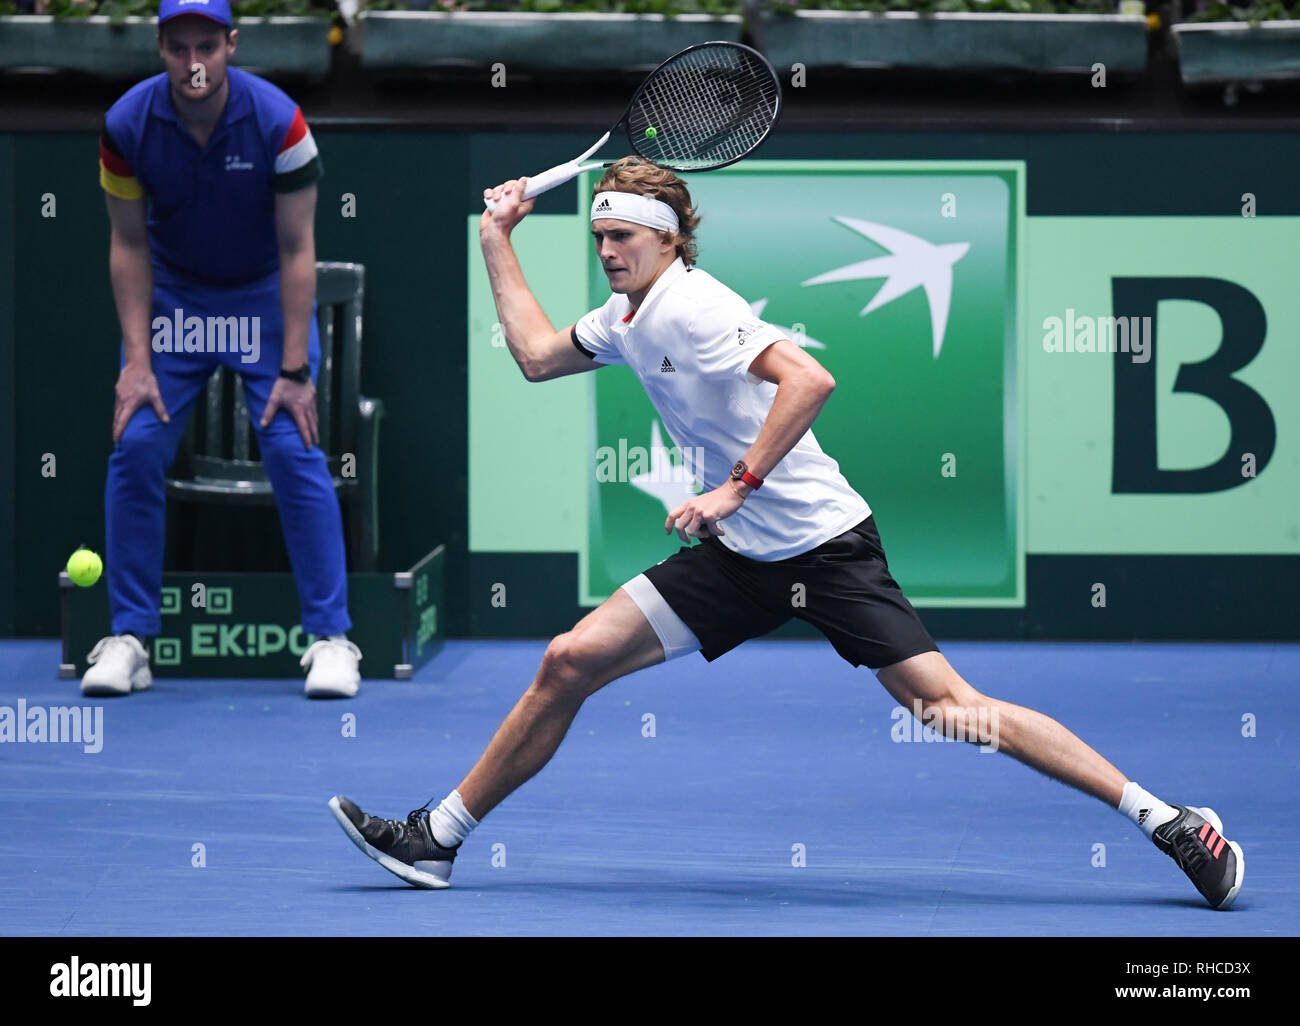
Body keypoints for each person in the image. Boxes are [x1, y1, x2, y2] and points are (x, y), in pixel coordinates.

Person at [330, 158, 1243, 908]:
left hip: (823, 545)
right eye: (600, 235)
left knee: (949, 710)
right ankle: (438, 838)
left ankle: (1168, 820)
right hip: (740, 559)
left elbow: (810, 380)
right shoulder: (626, 316)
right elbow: (533, 356)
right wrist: (497, 237)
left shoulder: (695, 303)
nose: (608, 250)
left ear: (670, 240)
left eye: (625, 237)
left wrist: (735, 487)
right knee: (570, 660)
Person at [84, 0, 361, 699]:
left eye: (207, 44)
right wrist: (137, 362)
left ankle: (331, 638)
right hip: (174, 298)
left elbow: (299, 249)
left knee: (293, 448)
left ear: (232, 44)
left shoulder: (281, 123)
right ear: (160, 49)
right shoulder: (126, 124)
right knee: (138, 444)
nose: (194, 62)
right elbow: (127, 243)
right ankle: (130, 640)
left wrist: (294, 368)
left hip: (262, 297)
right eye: (179, 48)